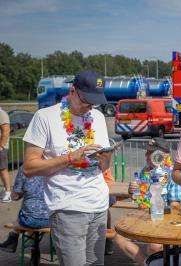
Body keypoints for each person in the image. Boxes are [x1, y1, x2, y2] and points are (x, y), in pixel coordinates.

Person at [23, 70, 113, 266]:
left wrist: (107, 158)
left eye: (94, 102)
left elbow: (102, 169)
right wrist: (71, 157)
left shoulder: (97, 117)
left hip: (99, 205)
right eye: (86, 100)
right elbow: (29, 168)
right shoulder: (45, 117)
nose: (89, 106)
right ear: (73, 91)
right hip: (67, 208)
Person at [114, 138, 181, 265]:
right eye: (147, 152)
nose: (146, 155)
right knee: (119, 238)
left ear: (163, 155)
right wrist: (132, 191)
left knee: (154, 247)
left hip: (164, 219)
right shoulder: (145, 170)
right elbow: (140, 199)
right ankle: (145, 263)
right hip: (143, 216)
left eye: (150, 152)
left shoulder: (171, 173)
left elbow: (175, 205)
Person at [0, 166, 48, 253]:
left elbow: (15, 196)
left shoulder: (25, 167)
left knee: (28, 205)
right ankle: (33, 245)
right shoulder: (57, 165)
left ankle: (14, 237)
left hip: (29, 220)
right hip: (54, 219)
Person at [0, 107, 11, 203]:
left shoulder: (1, 113)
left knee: (3, 169)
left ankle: (8, 192)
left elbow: (6, 130)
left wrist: (1, 146)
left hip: (1, 148)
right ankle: (5, 190)